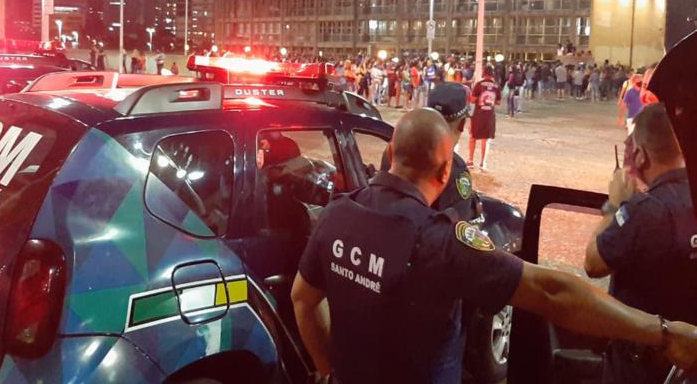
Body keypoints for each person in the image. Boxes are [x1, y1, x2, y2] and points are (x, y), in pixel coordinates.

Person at [291, 109, 697, 384]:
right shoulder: (441, 241)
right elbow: (552, 292)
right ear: (447, 168)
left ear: (390, 153)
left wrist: (328, 371)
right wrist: (663, 333)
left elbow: (303, 300)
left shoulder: (336, 215)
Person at [584, 103, 697, 383]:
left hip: (644, 363)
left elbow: (593, 262)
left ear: (641, 155)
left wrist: (614, 204)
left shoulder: (648, 210)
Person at [427, 84, 477, 382]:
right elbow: (460, 237)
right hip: (436, 303)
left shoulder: (395, 153)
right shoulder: (454, 169)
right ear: (462, 123)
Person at [468, 65, 501, 170]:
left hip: (478, 115)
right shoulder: (496, 86)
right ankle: (483, 162)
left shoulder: (479, 85)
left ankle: (470, 160)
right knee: (485, 140)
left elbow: (472, 100)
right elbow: (499, 102)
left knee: (473, 137)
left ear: (484, 73)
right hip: (489, 116)